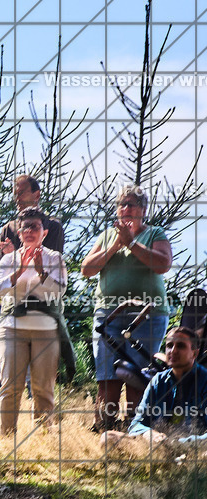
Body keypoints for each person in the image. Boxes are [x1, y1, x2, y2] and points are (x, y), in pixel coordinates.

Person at [82, 185, 172, 431]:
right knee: (107, 377)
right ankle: (104, 429)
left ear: (143, 210)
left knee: (136, 376)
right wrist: (114, 247)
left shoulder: (154, 233)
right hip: (108, 315)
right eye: (121, 204)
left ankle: (135, 430)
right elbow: (87, 269)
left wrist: (131, 243)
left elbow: (163, 264)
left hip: (147, 316)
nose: (125, 209)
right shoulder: (107, 236)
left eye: (131, 204)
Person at [0, 209, 71, 434]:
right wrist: (18, 273)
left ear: (44, 233)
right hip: (11, 328)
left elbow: (60, 290)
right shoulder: (9, 259)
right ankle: (5, 439)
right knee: (10, 386)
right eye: (25, 227)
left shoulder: (55, 258)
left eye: (35, 226)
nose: (29, 231)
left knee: (43, 389)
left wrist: (42, 272)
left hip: (46, 329)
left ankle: (43, 438)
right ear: (19, 233)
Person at [101, 327, 207, 449]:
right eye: (169, 345)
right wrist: (149, 434)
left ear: (194, 353)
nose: (173, 351)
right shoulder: (158, 380)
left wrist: (178, 443)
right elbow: (136, 424)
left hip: (194, 447)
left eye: (181, 346)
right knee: (108, 438)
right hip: (159, 445)